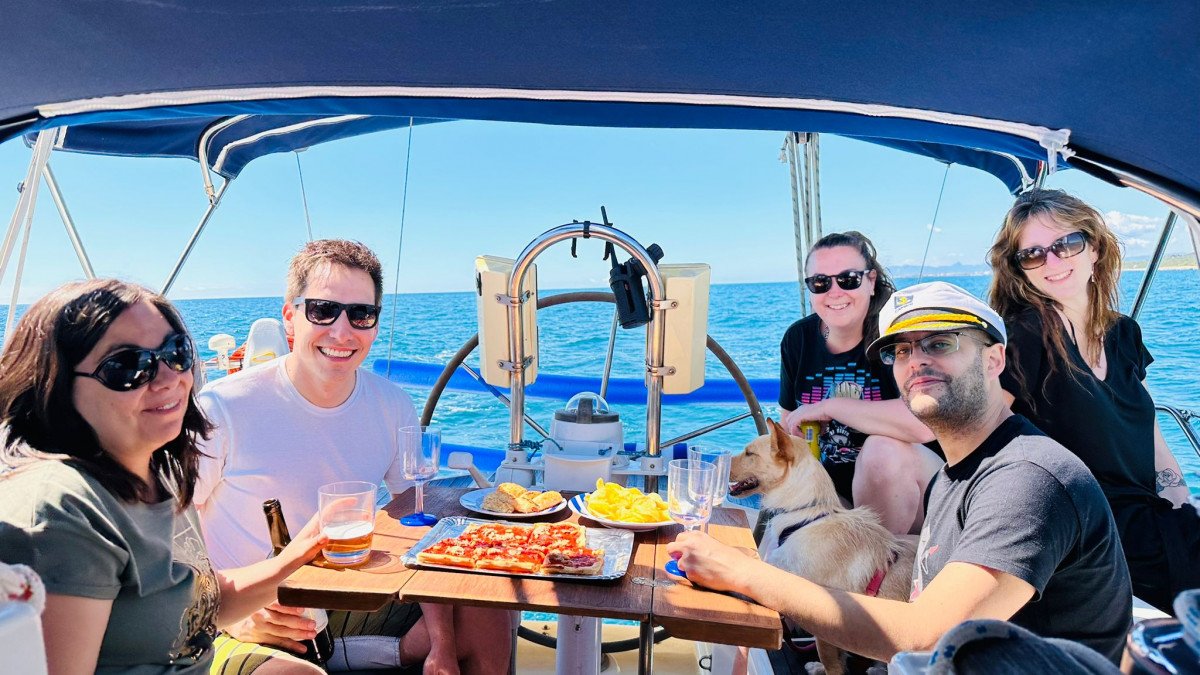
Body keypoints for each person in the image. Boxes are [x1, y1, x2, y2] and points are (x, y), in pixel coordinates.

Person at [669, 281, 1132, 664]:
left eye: (940, 343)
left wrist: (744, 573)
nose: (917, 362)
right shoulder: (958, 474)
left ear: (994, 360)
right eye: (901, 351)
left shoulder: (1028, 478)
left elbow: (928, 637)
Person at [194, 239, 511, 674]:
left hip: (347, 596)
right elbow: (167, 540)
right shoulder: (223, 408)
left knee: (487, 604)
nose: (342, 332)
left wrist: (442, 644)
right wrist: (231, 611)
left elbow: (415, 521)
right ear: (291, 316)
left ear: (375, 325)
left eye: (361, 314)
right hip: (250, 617)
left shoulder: (390, 404)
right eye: (323, 311)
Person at [0, 279, 327, 674]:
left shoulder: (155, 469)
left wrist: (301, 554)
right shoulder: (62, 511)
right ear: (54, 383)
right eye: (127, 366)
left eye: (176, 352)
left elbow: (191, 608)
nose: (169, 378)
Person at [987, 188, 1200, 613]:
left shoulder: (1123, 333)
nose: (1052, 262)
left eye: (1066, 244)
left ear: (1095, 248)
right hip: (1086, 528)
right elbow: (974, 427)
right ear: (1020, 270)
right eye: (1032, 254)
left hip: (1147, 518)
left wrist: (1183, 507)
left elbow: (1150, 434)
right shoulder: (1025, 336)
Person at [778, 231, 941, 534]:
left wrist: (831, 407)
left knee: (881, 451)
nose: (834, 291)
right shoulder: (797, 339)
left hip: (919, 500)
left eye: (849, 278)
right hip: (834, 497)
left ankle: (874, 573)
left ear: (871, 280)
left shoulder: (901, 336)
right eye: (820, 282)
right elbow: (789, 424)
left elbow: (923, 422)